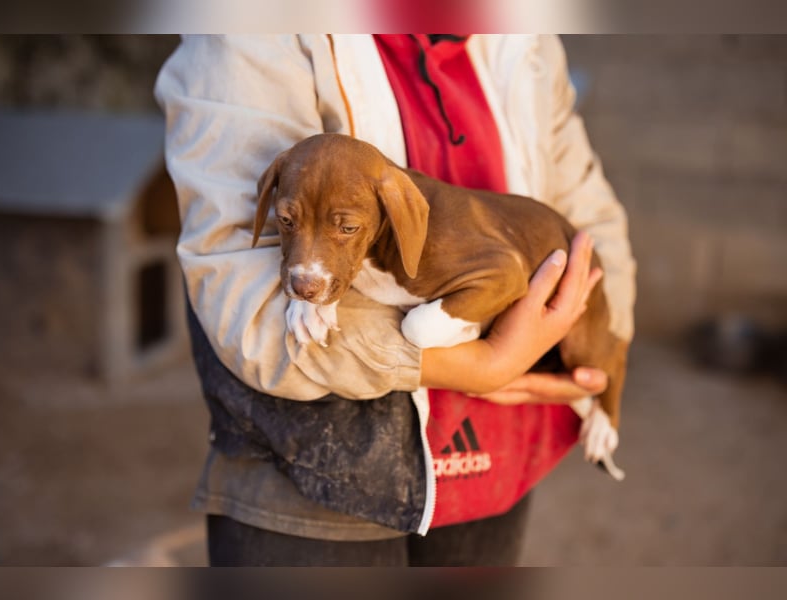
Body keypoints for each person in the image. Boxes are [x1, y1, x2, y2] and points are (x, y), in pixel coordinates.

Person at [154, 34, 636, 566]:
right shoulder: (246, 36)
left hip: (491, 464)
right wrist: (473, 362)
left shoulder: (523, 37)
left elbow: (589, 215)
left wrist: (592, 337)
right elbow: (239, 282)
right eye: (287, 219)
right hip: (312, 474)